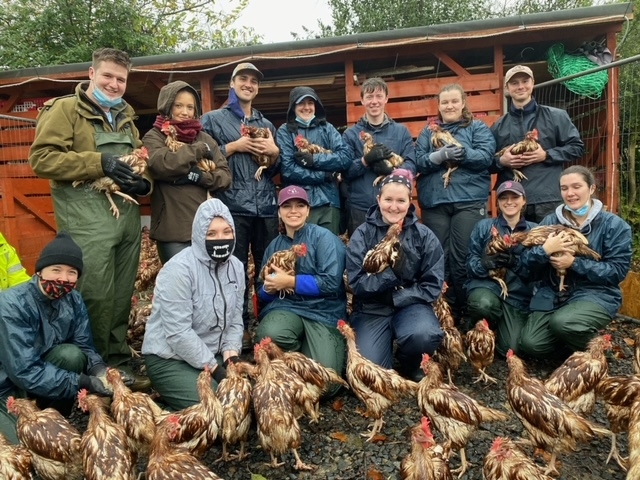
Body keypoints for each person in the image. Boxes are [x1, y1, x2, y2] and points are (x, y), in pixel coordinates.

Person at [28, 48, 152, 380]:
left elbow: (141, 159)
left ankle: (118, 363)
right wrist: (99, 162)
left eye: (121, 79)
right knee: (95, 294)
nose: (114, 84)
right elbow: (42, 159)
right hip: (86, 217)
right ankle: (92, 368)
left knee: (123, 293)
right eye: (108, 76)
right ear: (91, 73)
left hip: (125, 215)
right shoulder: (66, 110)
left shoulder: (126, 114)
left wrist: (144, 184)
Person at [0, 232, 130, 444]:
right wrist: (81, 381)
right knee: (21, 446)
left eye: (72, 272)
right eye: (56, 270)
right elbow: (23, 371)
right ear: (40, 270)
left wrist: (100, 371)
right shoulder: (12, 304)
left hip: (38, 373)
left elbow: (84, 346)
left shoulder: (73, 300)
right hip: (6, 385)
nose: (63, 278)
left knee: (72, 355)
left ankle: (51, 417)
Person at [201, 62, 280, 349]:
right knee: (232, 270)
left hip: (266, 207)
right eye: (243, 79)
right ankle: (237, 329)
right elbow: (201, 154)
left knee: (267, 269)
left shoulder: (266, 124)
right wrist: (235, 147)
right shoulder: (212, 119)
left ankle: (269, 325)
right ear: (232, 83)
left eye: (253, 81)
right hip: (232, 205)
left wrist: (274, 153)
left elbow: (274, 169)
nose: (249, 84)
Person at [517, 166, 632, 357]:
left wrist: (574, 263)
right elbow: (524, 265)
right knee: (531, 344)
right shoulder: (550, 221)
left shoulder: (614, 226)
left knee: (563, 323)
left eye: (576, 186)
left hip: (596, 293)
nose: (570, 193)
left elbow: (616, 271)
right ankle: (573, 342)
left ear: (592, 188)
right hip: (554, 293)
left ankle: (601, 353)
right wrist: (544, 251)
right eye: (564, 188)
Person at [141, 198, 245, 410]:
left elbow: (235, 318)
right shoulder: (178, 270)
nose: (221, 239)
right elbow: (178, 332)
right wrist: (217, 370)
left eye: (227, 232)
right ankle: (164, 401)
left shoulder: (236, 266)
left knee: (241, 401)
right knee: (216, 409)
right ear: (199, 235)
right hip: (170, 357)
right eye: (211, 233)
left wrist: (231, 354)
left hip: (210, 353)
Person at [345, 169, 445, 381]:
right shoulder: (362, 234)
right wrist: (391, 275)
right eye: (388, 199)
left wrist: (398, 296)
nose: (394, 206)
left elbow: (432, 285)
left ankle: (410, 360)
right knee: (371, 374)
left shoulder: (423, 235)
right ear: (378, 199)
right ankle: (381, 350)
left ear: (410, 202)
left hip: (411, 306)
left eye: (401, 200)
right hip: (371, 308)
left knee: (424, 334)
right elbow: (356, 283)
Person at [255, 185, 347, 393]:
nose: (293, 211)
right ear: (279, 211)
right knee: (271, 333)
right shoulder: (274, 245)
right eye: (287, 206)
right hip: (286, 308)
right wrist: (269, 289)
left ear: (308, 210)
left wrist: (290, 282)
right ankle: (297, 360)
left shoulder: (324, 238)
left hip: (323, 312)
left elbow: (332, 283)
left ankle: (312, 352)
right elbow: (262, 291)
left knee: (327, 386)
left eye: (299, 205)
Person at [415, 83, 496, 321]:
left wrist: (464, 153)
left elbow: (486, 156)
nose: (449, 106)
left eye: (453, 101)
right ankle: (443, 311)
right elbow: (418, 160)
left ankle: (466, 310)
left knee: (463, 257)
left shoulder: (477, 128)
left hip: (468, 201)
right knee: (438, 257)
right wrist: (437, 156)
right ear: (439, 106)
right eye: (444, 102)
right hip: (434, 202)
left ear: (463, 103)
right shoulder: (428, 132)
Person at [143, 80, 232, 264]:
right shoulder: (155, 136)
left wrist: (199, 177)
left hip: (207, 228)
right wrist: (196, 151)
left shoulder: (204, 137)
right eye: (178, 105)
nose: (185, 112)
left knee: (207, 287)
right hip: (173, 230)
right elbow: (162, 165)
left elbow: (225, 177)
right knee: (180, 286)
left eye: (190, 107)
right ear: (167, 107)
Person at [491, 65, 584, 223]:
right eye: (514, 83)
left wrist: (546, 155)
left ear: (532, 83)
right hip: (512, 201)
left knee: (551, 245)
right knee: (513, 247)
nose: (521, 86)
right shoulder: (498, 126)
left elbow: (576, 147)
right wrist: (501, 161)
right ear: (507, 88)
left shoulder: (556, 116)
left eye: (525, 81)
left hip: (548, 198)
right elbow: (486, 163)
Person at [465, 181, 536, 355]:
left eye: (515, 197)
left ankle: (500, 327)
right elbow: (469, 263)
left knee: (510, 349)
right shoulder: (484, 226)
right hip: (488, 286)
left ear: (524, 201)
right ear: (497, 202)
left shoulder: (534, 230)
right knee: (482, 305)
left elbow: (537, 269)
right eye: (504, 198)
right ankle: (477, 328)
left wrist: (515, 263)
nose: (509, 201)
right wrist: (484, 264)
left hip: (518, 294)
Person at [342, 77, 416, 236]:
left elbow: (411, 164)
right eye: (369, 97)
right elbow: (345, 171)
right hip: (361, 208)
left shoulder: (401, 132)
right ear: (362, 100)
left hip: (394, 209)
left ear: (386, 98)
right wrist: (364, 161)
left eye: (378, 96)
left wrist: (392, 171)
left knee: (396, 256)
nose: (374, 101)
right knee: (361, 256)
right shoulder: (351, 134)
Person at [276, 86, 351, 235]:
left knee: (328, 249)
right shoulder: (285, 132)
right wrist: (324, 175)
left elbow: (345, 157)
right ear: (293, 107)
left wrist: (313, 161)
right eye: (301, 103)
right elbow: (288, 169)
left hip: (329, 201)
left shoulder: (328, 129)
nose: (306, 107)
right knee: (301, 252)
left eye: (310, 103)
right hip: (298, 203)